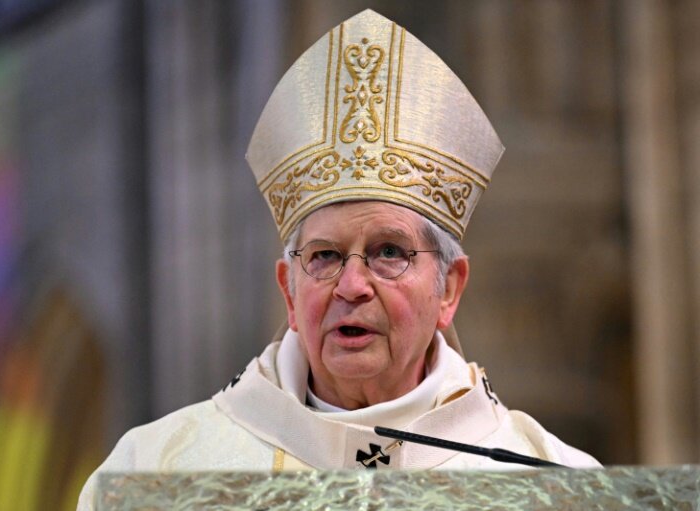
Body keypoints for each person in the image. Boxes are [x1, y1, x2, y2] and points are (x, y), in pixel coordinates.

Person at [78, 8, 599, 509]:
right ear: (288, 290)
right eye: (325, 256)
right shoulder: (158, 472)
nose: (352, 285)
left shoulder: (555, 484)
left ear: (449, 289)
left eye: (388, 253)